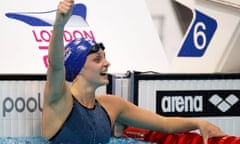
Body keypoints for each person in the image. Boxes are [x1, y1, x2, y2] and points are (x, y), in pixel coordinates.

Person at [41, 0, 226, 143]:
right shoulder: (60, 100)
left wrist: (198, 123)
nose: (107, 63)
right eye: (97, 59)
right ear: (78, 68)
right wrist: (59, 25)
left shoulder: (111, 106)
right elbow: (56, 66)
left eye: (104, 57)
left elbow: (163, 124)